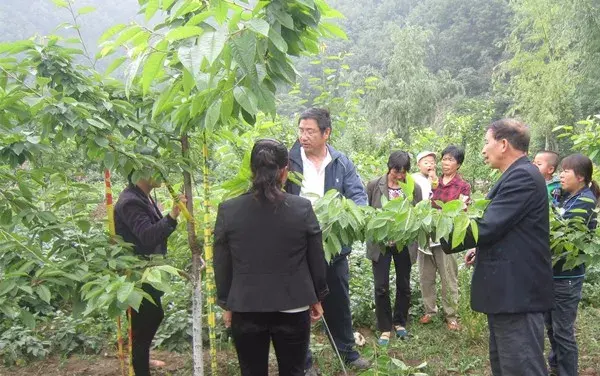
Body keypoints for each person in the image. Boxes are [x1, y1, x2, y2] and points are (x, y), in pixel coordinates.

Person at [441, 119, 554, 376]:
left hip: (517, 295)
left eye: (486, 142)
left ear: (503, 144)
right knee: (505, 365)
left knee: (521, 366)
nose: (483, 149)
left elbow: (489, 225)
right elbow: (509, 227)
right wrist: (479, 249)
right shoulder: (516, 174)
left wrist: (437, 228)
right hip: (509, 293)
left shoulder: (523, 177)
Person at [214, 139, 329, 376]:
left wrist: (226, 302)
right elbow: (316, 255)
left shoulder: (229, 209)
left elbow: (222, 261)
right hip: (293, 304)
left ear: (252, 170)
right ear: (285, 170)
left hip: (246, 306)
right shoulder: (301, 208)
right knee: (294, 371)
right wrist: (317, 297)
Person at [286, 108, 370, 373]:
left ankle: (347, 353)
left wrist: (345, 216)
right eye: (301, 130)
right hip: (296, 247)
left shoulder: (341, 162)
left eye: (310, 131)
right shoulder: (288, 160)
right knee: (298, 306)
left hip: (333, 246)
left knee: (338, 302)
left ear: (326, 133)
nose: (303, 136)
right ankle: (304, 363)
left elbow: (358, 197)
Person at [114, 171, 186, 376]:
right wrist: (172, 215)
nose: (160, 173)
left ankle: (142, 355)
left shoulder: (142, 196)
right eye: (153, 168)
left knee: (151, 318)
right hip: (137, 274)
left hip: (147, 271)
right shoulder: (130, 202)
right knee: (145, 321)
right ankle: (140, 365)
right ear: (138, 172)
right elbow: (147, 236)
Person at [545, 153, 599, 376]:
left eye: (566, 171)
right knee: (551, 326)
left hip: (566, 277)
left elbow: (559, 229)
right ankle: (556, 366)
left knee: (563, 331)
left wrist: (547, 206)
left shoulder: (585, 200)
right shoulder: (567, 196)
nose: (561, 175)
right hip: (553, 273)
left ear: (581, 176)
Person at [366, 151, 422, 346]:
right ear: (389, 167)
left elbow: (418, 213)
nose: (399, 175)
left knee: (404, 285)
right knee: (381, 286)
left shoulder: (413, 187)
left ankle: (399, 323)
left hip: (404, 244)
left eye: (404, 171)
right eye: (396, 171)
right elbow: (367, 213)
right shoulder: (374, 185)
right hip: (381, 244)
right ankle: (384, 327)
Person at [418, 145, 470, 331]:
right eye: (444, 159)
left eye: (450, 160)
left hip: (447, 239)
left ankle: (451, 315)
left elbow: (462, 211)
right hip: (427, 237)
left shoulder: (462, 186)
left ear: (458, 164)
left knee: (449, 278)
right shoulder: (433, 181)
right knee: (426, 277)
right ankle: (430, 311)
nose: (446, 163)